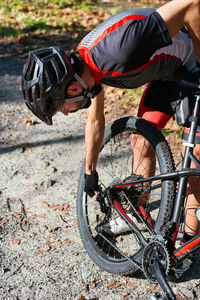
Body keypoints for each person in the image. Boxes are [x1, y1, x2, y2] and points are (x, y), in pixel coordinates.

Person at [22, 0, 200, 278]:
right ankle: (137, 210)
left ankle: (187, 241)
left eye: (61, 108)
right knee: (141, 142)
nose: (67, 114)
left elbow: (192, 5)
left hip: (193, 63)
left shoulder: (119, 49)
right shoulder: (88, 68)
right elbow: (95, 119)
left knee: (195, 155)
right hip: (169, 72)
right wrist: (89, 170)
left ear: (71, 88)